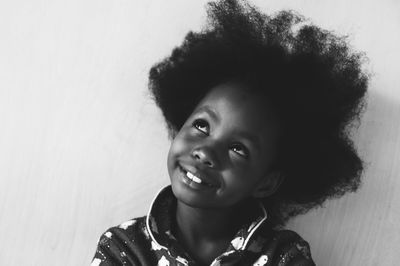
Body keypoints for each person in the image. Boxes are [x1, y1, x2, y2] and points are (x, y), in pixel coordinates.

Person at [91, 0, 368, 265]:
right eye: (201, 126)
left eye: (238, 149)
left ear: (267, 183)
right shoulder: (123, 247)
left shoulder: (284, 256)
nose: (205, 152)